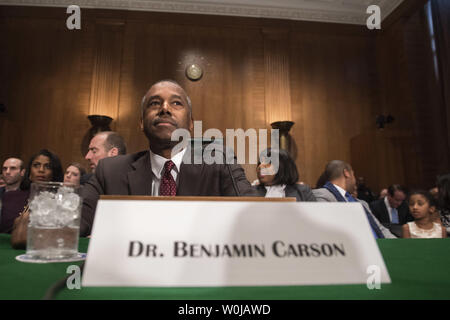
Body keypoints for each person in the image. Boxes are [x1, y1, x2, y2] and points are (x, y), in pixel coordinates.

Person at [80, 79, 256, 237]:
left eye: (176, 103)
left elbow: (255, 219)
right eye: (155, 103)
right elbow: (74, 223)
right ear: (141, 122)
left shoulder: (219, 163)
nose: (165, 108)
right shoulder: (110, 171)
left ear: (190, 124)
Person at [312, 160, 396, 239]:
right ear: (346, 173)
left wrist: (400, 244)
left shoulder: (362, 203)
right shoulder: (322, 195)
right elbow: (328, 229)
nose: (355, 180)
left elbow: (380, 229)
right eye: (353, 174)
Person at [10, 149, 64, 248]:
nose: (41, 170)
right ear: (29, 173)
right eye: (36, 165)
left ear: (54, 172)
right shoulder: (11, 198)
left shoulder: (61, 201)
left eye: (47, 166)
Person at [0, 158, 27, 233]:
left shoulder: (28, 195)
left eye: (13, 168)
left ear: (22, 172)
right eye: (5, 169)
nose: (7, 172)